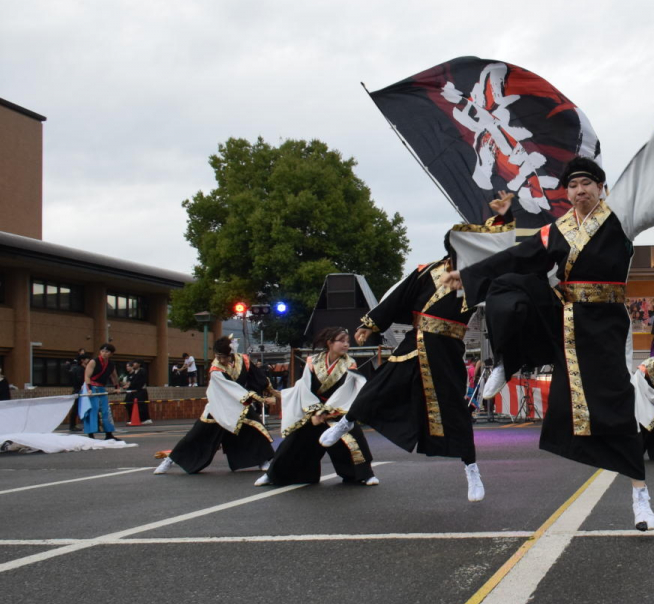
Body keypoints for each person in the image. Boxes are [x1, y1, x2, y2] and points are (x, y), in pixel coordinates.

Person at [449, 125, 654, 531]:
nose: (580, 190)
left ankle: (640, 495)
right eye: (573, 185)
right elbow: (514, 257)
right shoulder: (555, 230)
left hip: (606, 326)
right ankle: (506, 362)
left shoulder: (620, 218)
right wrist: (468, 275)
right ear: (566, 193)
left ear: (601, 188)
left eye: (587, 183)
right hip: (564, 319)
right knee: (513, 285)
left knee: (617, 409)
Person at [320, 196, 517, 502]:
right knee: (380, 387)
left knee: (455, 412)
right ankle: (346, 422)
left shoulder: (477, 278)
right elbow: (398, 298)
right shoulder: (427, 270)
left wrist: (503, 219)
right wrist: (370, 324)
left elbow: (497, 247)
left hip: (448, 349)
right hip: (415, 342)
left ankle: (471, 469)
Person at [256, 327, 375, 486]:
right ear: (330, 343)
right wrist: (316, 410)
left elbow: (347, 390)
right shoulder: (313, 361)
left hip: (336, 409)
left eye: (347, 341)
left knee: (352, 439)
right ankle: (273, 475)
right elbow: (304, 386)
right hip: (313, 410)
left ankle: (365, 475)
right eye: (342, 341)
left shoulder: (349, 363)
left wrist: (327, 410)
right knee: (293, 440)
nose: (346, 345)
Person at [154, 336, 276, 475]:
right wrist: (255, 397)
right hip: (219, 405)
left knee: (253, 430)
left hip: (239, 404)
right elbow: (230, 387)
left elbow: (256, 376)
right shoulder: (216, 369)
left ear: (231, 354)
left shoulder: (243, 360)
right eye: (218, 356)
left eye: (224, 357)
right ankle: (170, 460)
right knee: (197, 434)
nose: (221, 360)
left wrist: (269, 391)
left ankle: (262, 460)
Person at [81, 343, 120, 440]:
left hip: (102, 387)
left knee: (105, 411)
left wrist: (117, 387)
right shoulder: (93, 361)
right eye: (102, 351)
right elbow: (87, 376)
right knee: (93, 409)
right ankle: (91, 435)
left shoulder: (111, 364)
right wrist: (89, 389)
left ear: (111, 353)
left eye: (107, 352)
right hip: (91, 386)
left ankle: (109, 434)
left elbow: (114, 376)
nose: (104, 353)